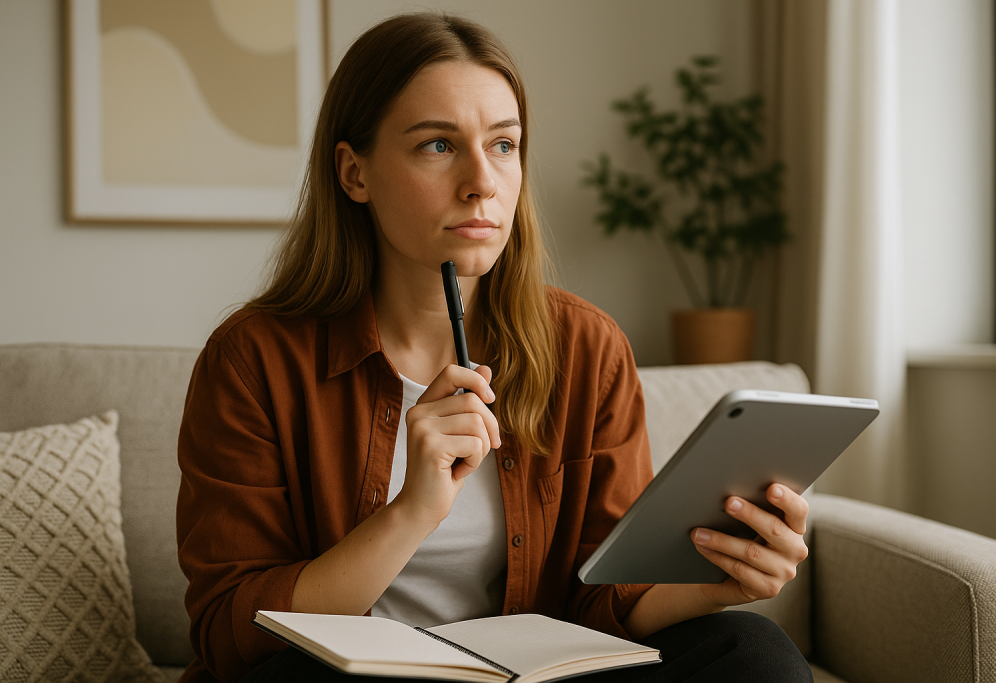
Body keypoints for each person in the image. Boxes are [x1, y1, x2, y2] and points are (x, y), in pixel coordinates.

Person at [175, 12, 813, 683]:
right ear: (353, 173)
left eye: (503, 145)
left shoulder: (588, 347)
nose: (482, 180)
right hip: (359, 679)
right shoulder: (252, 359)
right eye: (438, 146)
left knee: (752, 650)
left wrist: (718, 583)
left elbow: (598, 600)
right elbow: (230, 630)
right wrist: (412, 511)